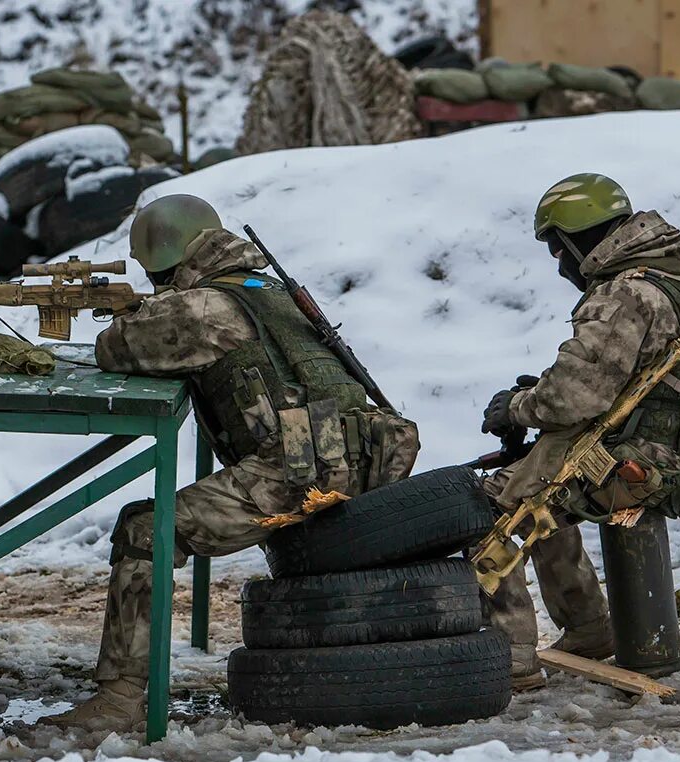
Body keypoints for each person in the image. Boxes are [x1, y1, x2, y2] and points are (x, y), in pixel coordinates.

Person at [51, 193, 420, 732]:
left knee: (146, 529)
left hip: (298, 474)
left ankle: (120, 700)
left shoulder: (201, 307)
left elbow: (117, 349)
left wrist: (132, 313)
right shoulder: (267, 289)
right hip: (366, 457)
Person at [478, 173, 680, 690]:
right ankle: (588, 628)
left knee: (489, 508)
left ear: (575, 238)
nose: (561, 265)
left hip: (637, 464)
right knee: (539, 488)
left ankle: (509, 656)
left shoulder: (623, 294)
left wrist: (515, 408)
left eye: (558, 250)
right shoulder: (676, 281)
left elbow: (571, 398)